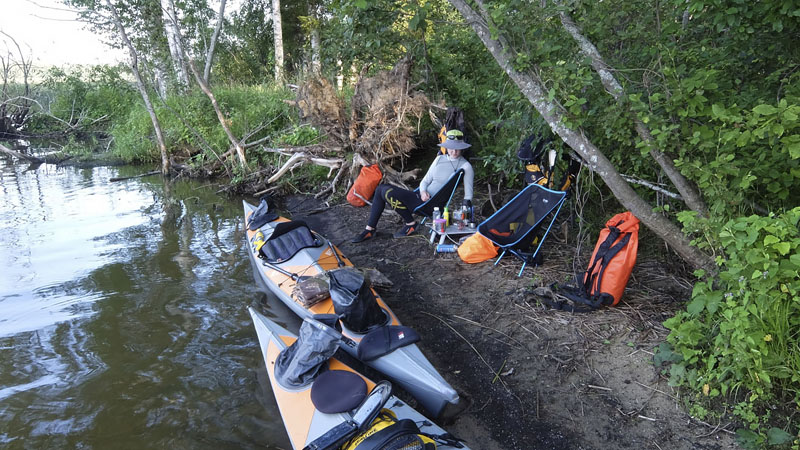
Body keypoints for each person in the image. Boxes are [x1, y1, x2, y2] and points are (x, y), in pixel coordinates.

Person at [352, 129, 475, 243]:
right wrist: (422, 192)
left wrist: (466, 218)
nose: (453, 151)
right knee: (380, 189)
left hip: (432, 204)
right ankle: (370, 229)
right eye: (450, 147)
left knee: (388, 193)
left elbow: (468, 195)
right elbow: (425, 181)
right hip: (420, 197)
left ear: (462, 148)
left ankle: (410, 224)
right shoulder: (439, 159)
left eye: (457, 148)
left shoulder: (465, 167)